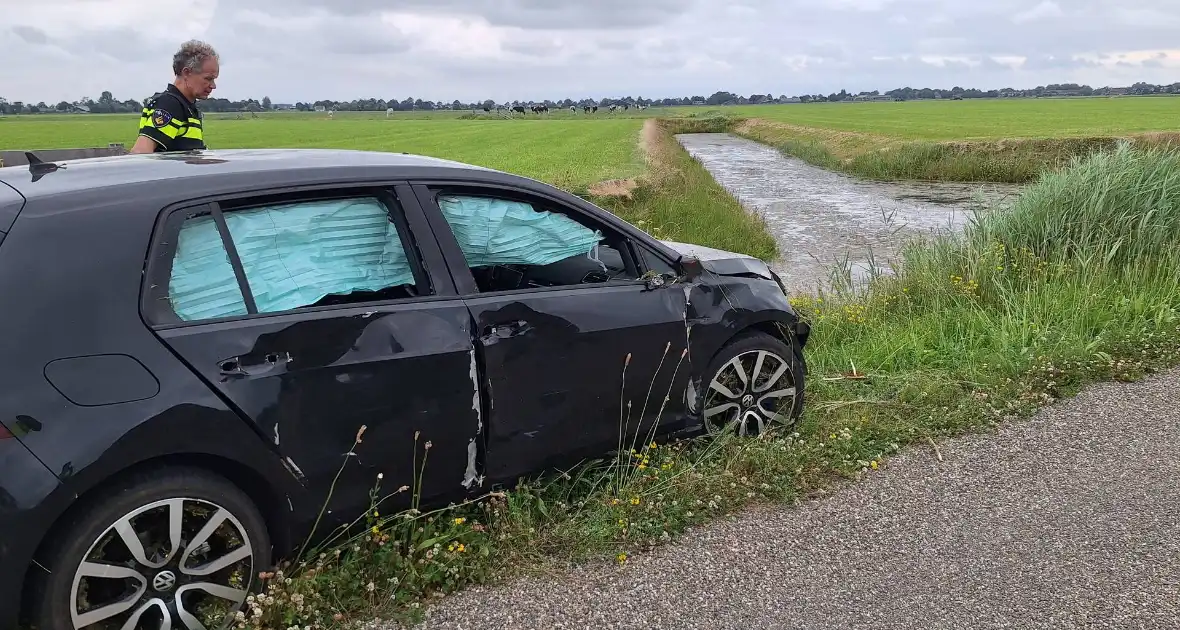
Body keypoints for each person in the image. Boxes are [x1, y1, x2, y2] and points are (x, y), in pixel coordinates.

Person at [130, 40, 219, 153]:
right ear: (186, 73)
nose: (213, 86)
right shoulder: (170, 104)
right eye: (208, 78)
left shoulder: (186, 107)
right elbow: (140, 151)